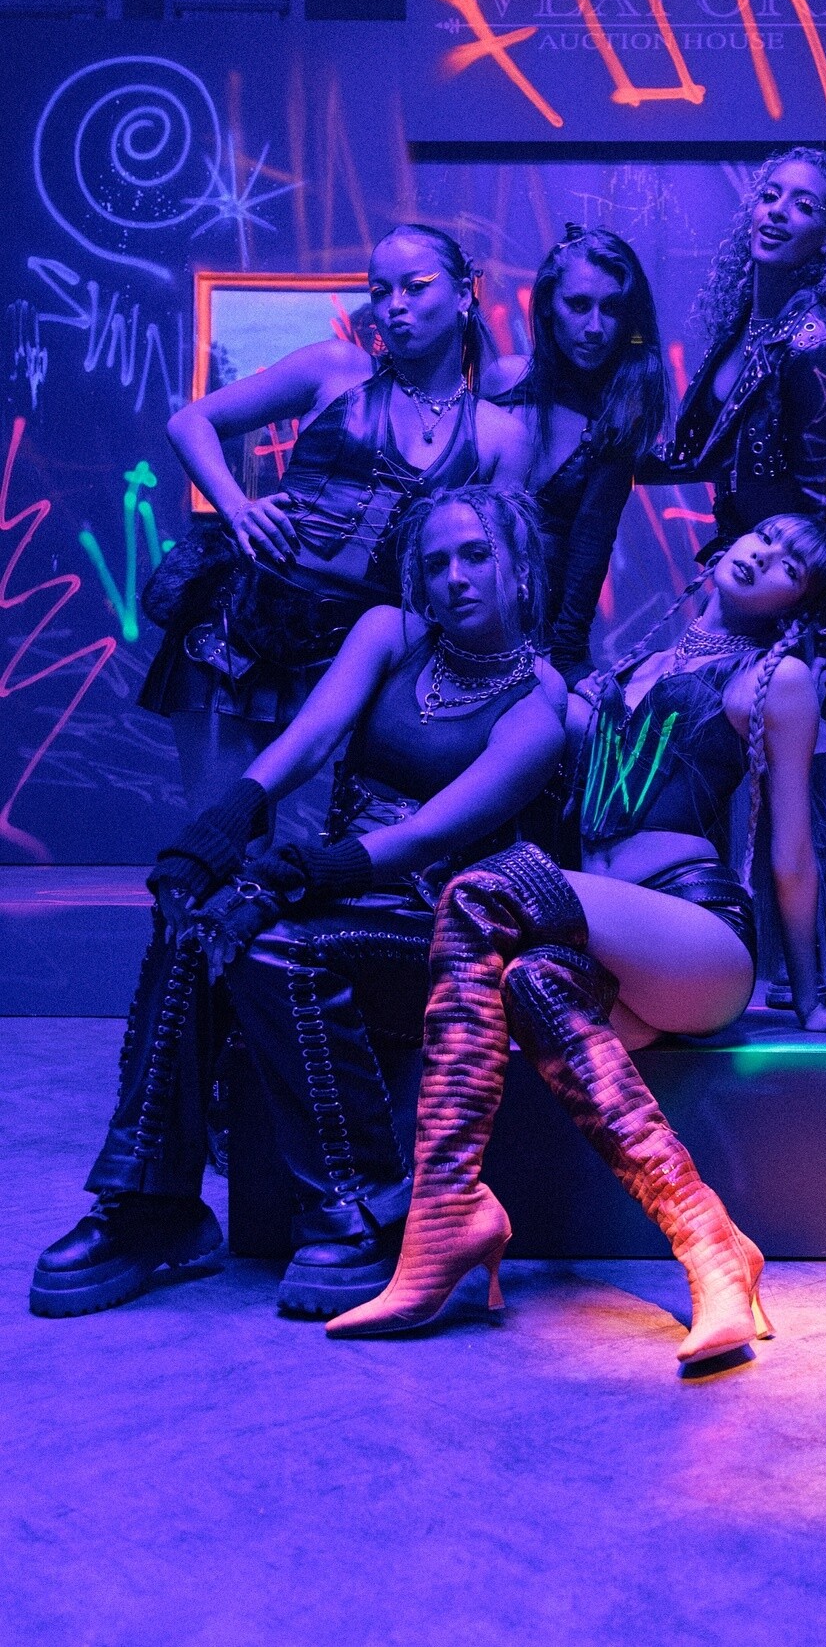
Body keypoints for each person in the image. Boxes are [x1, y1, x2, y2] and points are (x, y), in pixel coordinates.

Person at [326, 514, 826, 1366]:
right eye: (764, 536)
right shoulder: (633, 663)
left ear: (799, 602)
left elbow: (792, 854)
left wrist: (808, 999)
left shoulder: (777, 678)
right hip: (608, 946)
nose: (766, 555)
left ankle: (444, 1213)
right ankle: (713, 1244)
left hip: (697, 936)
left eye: (793, 564)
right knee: (528, 985)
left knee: (480, 892)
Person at [31, 490, 566, 1321]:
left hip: (437, 926)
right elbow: (309, 737)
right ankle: (148, 1203)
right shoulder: (392, 633)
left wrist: (292, 874)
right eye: (435, 563)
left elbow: (428, 835)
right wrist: (229, 819)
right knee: (195, 914)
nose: (455, 577)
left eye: (476, 555)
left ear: (520, 566)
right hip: (337, 892)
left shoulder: (542, 706)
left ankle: (364, 1207)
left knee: (274, 945)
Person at [141, 224, 530, 811]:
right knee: (222, 830)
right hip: (243, 621)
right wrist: (239, 507)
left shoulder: (500, 435)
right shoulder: (336, 368)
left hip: (374, 656)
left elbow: (494, 574)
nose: (394, 306)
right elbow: (189, 422)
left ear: (462, 294)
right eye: (380, 291)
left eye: (416, 286)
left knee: (341, 842)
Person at [637, 147, 826, 592]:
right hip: (746, 575)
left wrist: (808, 622)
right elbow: (701, 454)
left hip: (790, 591)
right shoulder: (745, 329)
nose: (777, 211)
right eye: (770, 196)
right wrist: (604, 453)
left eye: (804, 206)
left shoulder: (823, 350)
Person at [482, 225, 670, 686]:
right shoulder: (503, 379)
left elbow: (591, 541)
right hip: (454, 608)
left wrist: (566, 657)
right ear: (548, 304)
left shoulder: (619, 413)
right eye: (579, 305)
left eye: (612, 309)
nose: (595, 328)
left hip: (536, 635)